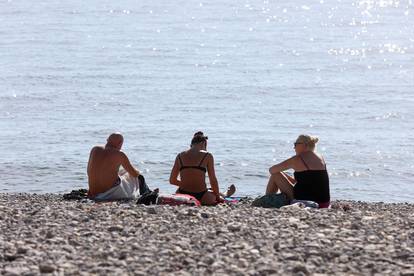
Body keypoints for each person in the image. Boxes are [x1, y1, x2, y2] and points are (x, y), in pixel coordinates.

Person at [169, 131, 235, 205]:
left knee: (209, 189)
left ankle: (223, 193)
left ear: (191, 144)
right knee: (214, 193)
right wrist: (218, 198)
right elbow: (213, 180)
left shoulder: (180, 156)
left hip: (182, 194)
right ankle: (225, 194)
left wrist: (187, 184)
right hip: (201, 196)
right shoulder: (207, 155)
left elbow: (172, 180)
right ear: (203, 143)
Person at [265, 134, 330, 208]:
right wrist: (283, 175)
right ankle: (269, 200)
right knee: (279, 174)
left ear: (304, 145)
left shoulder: (297, 159)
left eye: (295, 144)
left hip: (305, 202)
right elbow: (309, 183)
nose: (294, 147)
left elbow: (271, 170)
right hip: (324, 204)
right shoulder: (320, 158)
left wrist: (280, 174)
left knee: (275, 175)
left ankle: (268, 201)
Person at [87, 132, 153, 200]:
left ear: (107, 140)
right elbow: (134, 174)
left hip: (93, 192)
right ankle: (148, 194)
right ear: (120, 143)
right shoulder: (119, 154)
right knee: (139, 177)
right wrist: (138, 172)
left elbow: (89, 171)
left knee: (122, 171)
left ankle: (148, 193)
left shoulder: (95, 149)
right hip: (109, 194)